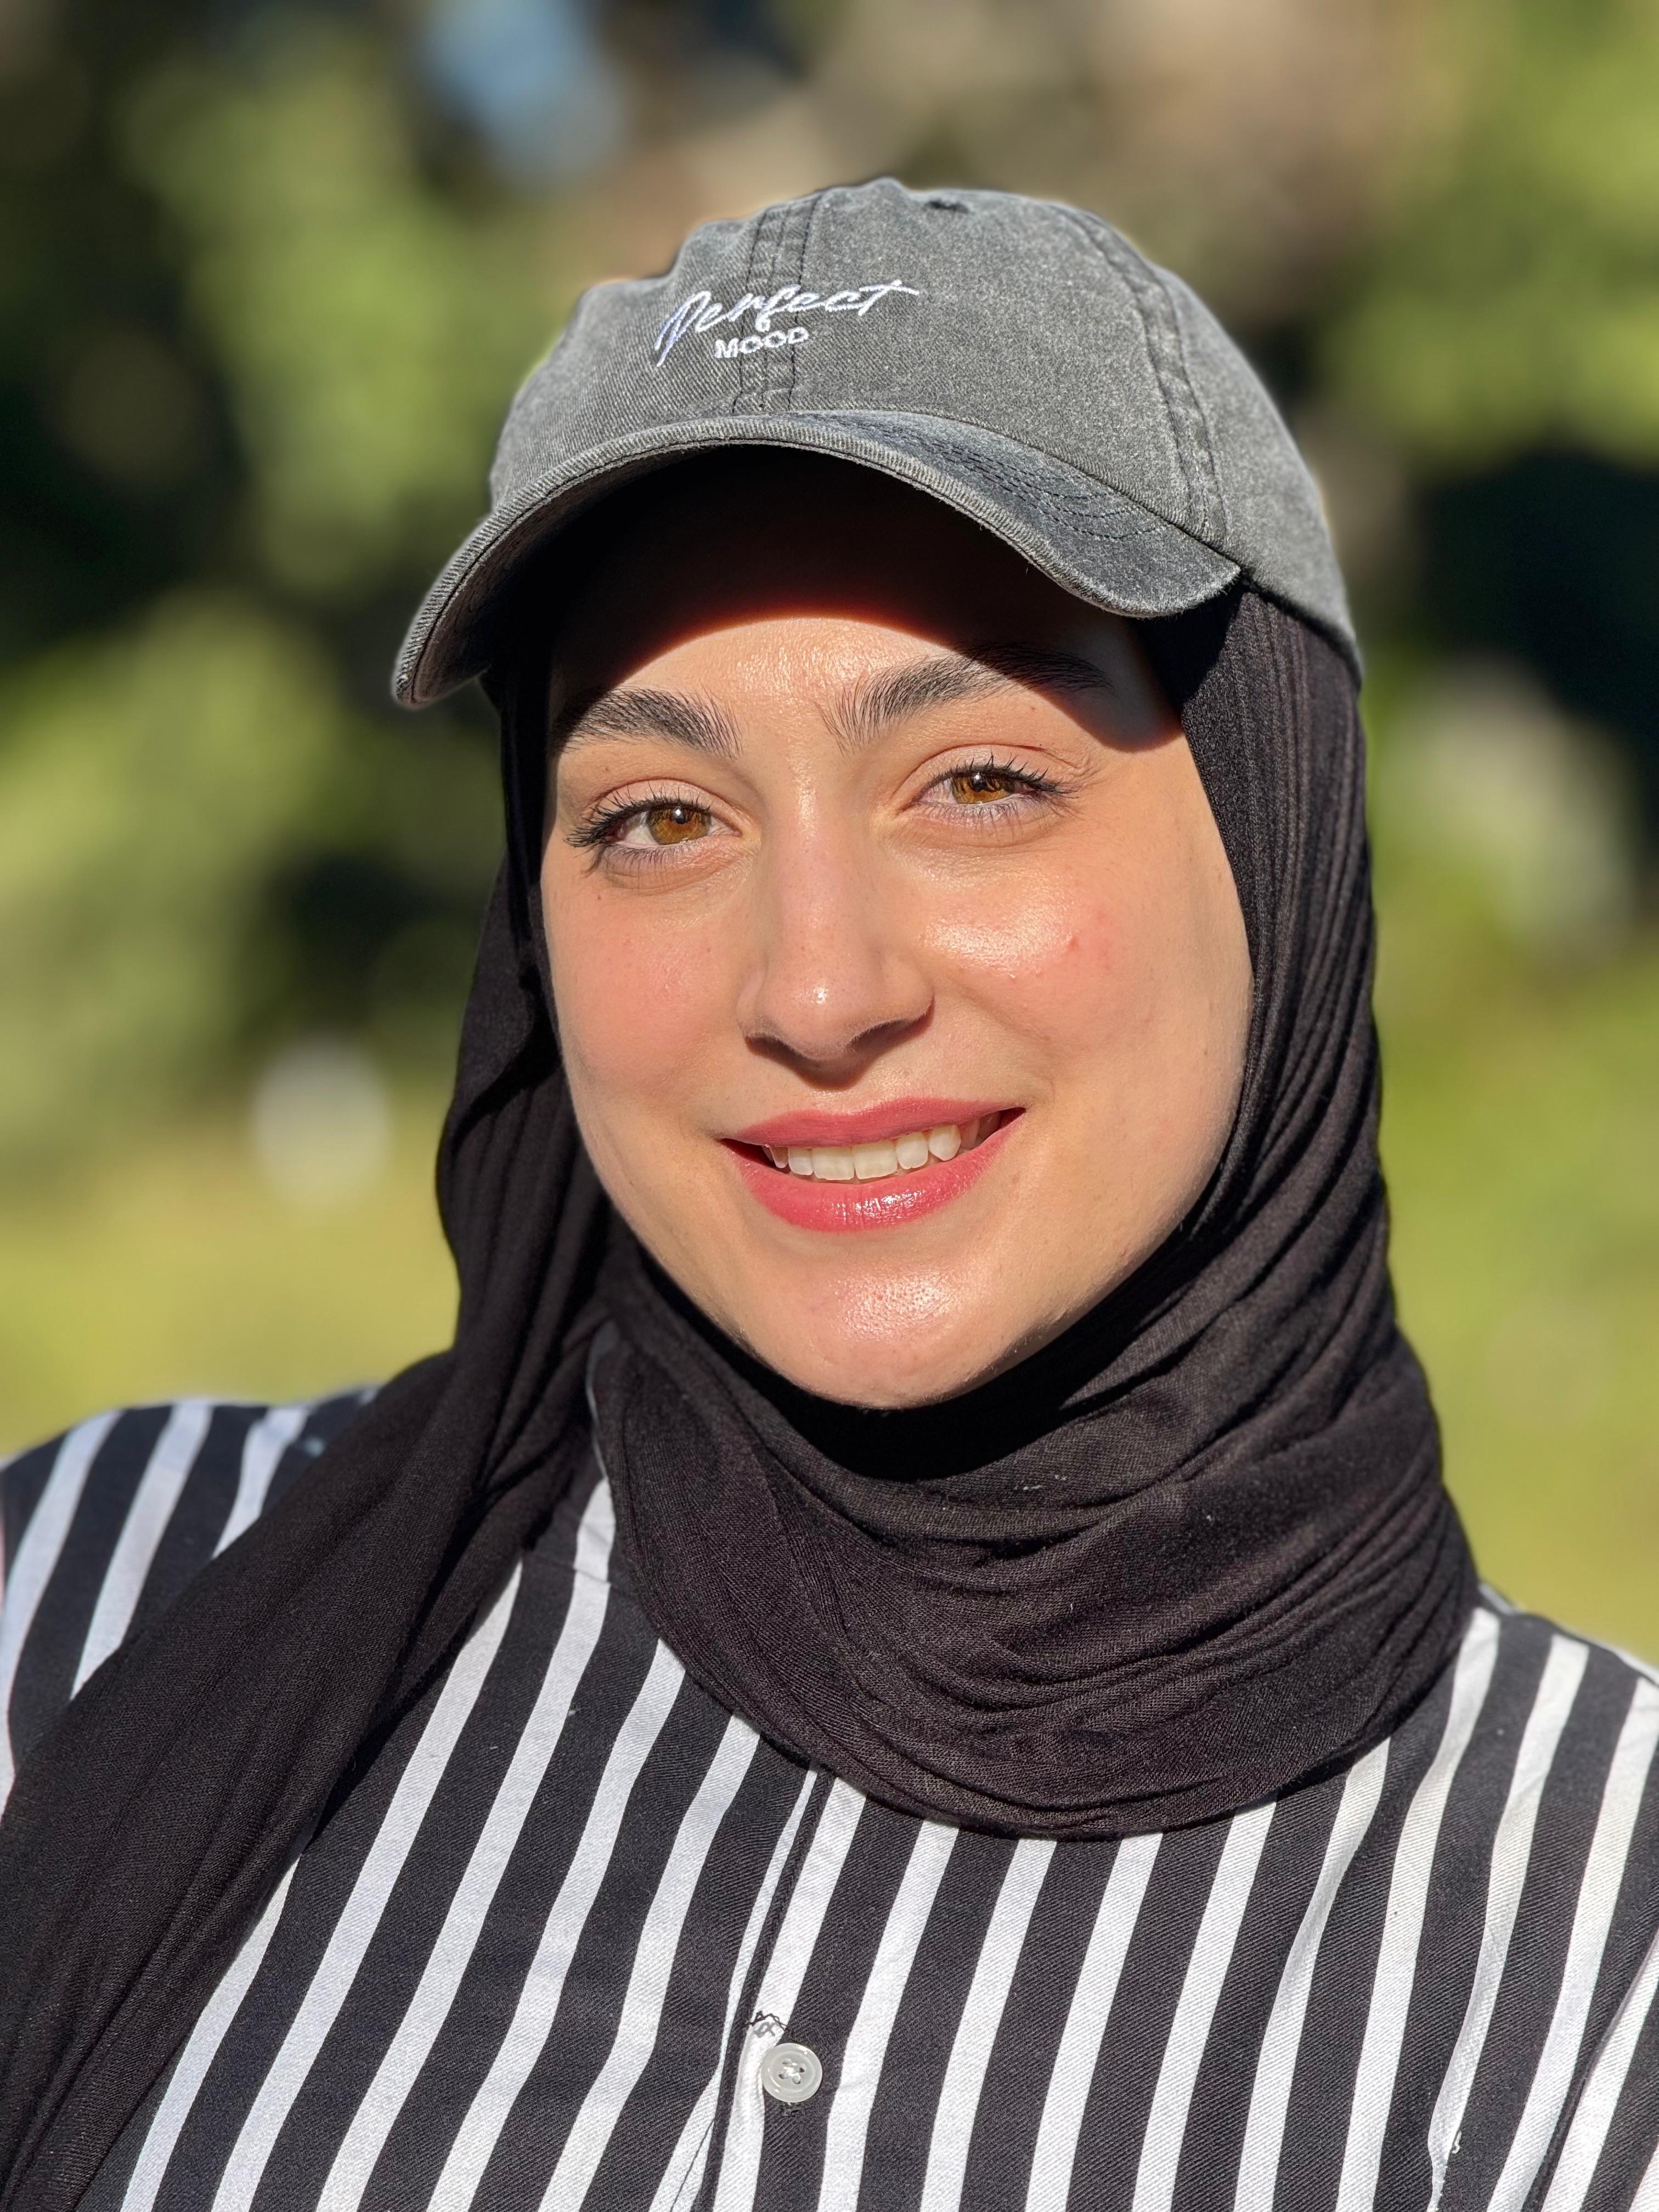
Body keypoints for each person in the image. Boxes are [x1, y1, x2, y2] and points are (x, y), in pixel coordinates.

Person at [1, 180, 1654, 2212]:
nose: (814, 987)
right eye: (660, 818)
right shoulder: (88, 1606)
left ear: (1276, 812)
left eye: (979, 783)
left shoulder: (1607, 1942)